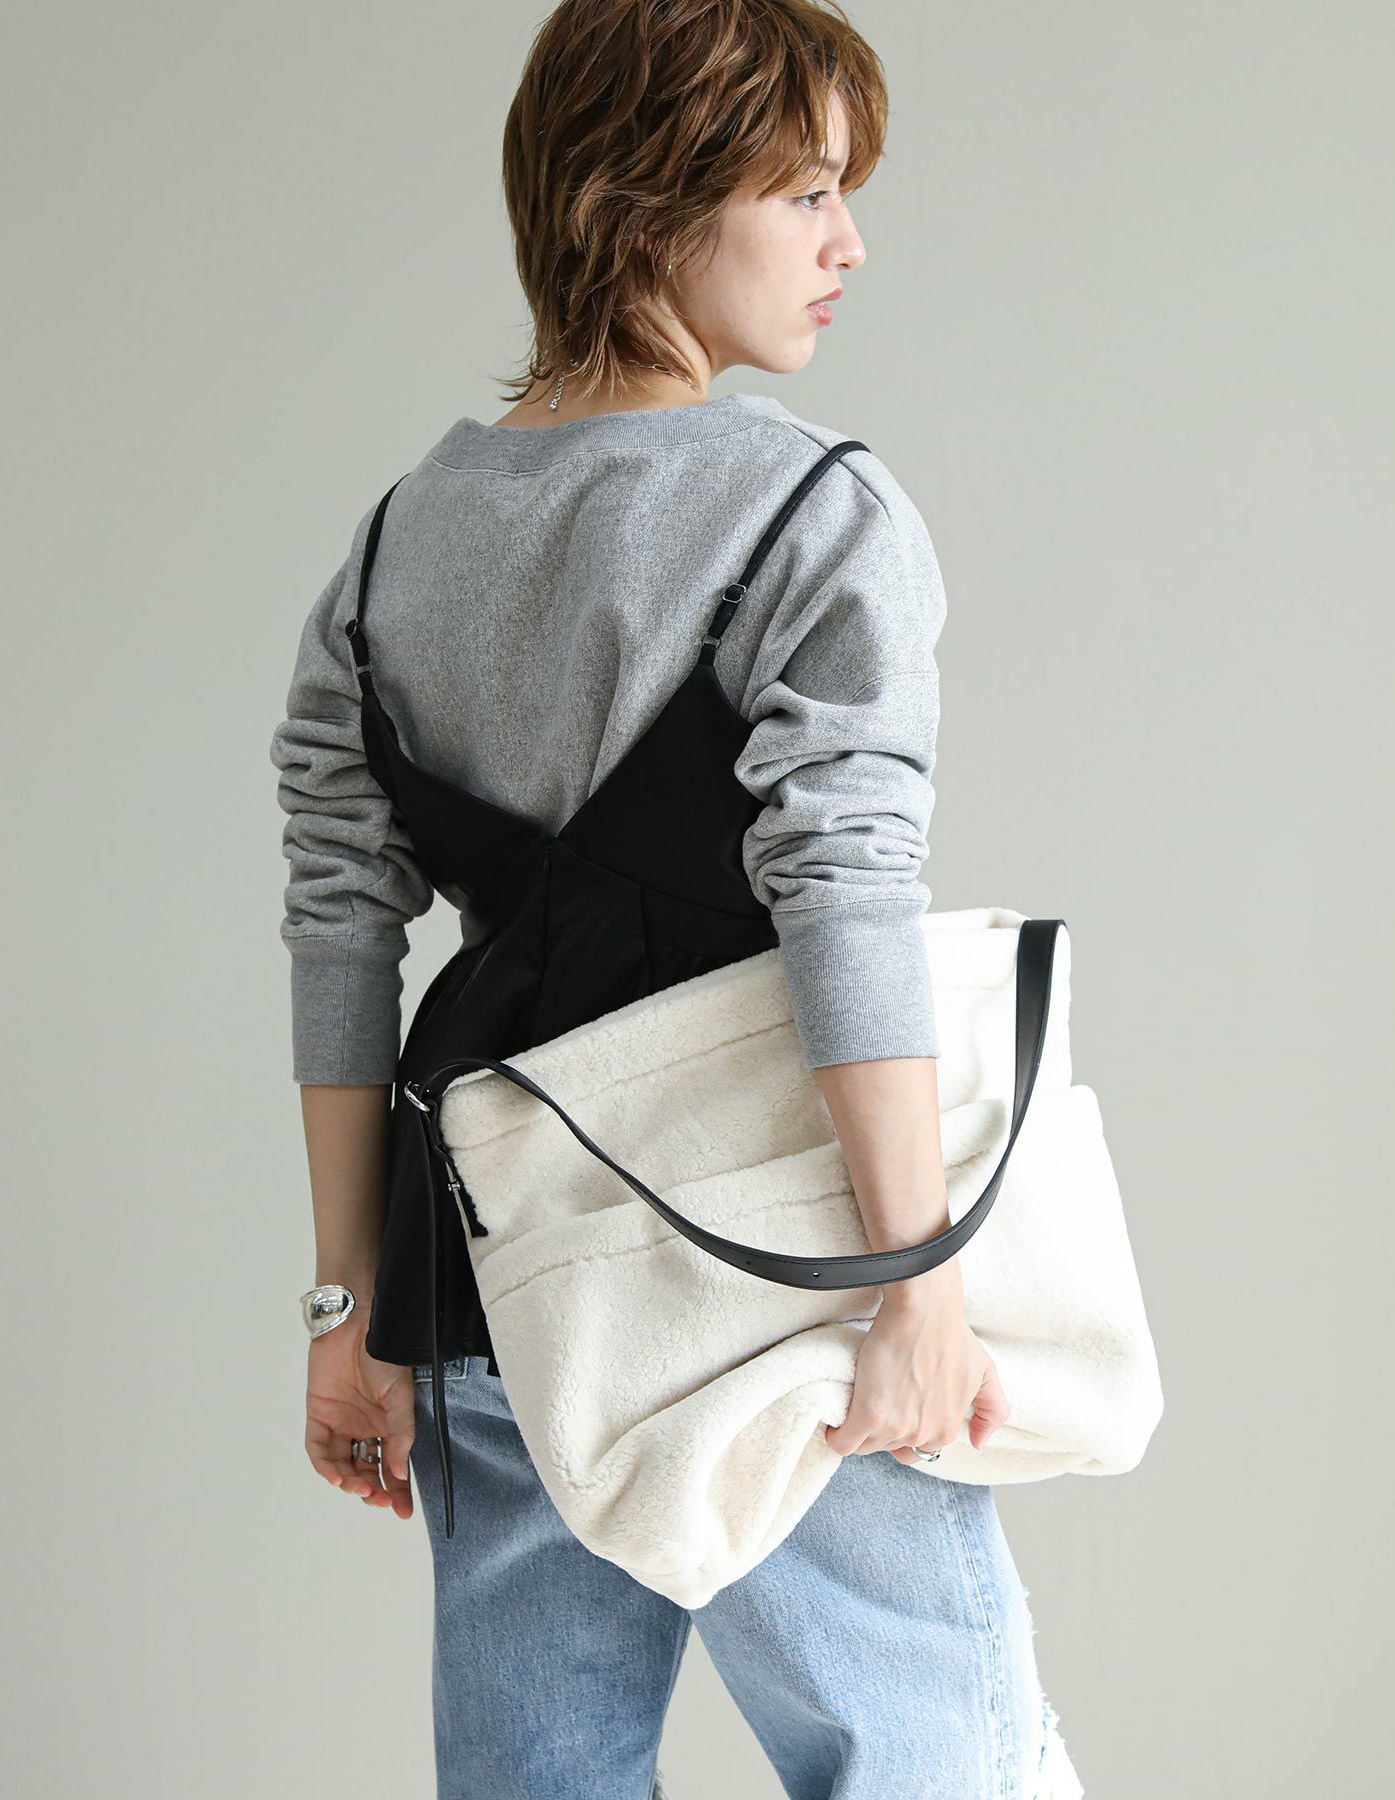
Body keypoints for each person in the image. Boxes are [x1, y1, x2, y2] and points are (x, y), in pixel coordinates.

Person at [270, 3, 1082, 1794]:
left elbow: (342, 929)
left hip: (500, 1275)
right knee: (935, 1767)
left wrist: (349, 1316)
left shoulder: (390, 553)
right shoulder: (815, 512)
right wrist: (914, 1281)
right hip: (774, 1280)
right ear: (646, 205)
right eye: (805, 193)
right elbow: (843, 893)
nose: (848, 243)